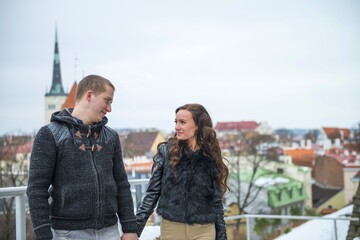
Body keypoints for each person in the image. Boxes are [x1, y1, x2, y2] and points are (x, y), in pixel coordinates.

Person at [27, 75, 138, 240]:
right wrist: (44, 235)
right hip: (68, 234)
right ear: (89, 95)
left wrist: (130, 228)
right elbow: (37, 189)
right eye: (107, 100)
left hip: (110, 231)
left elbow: (121, 184)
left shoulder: (111, 137)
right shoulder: (50, 134)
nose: (109, 108)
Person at [136, 103, 229, 240]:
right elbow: (153, 193)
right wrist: (135, 229)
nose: (177, 127)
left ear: (198, 125)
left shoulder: (210, 156)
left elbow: (216, 201)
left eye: (183, 122)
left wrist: (222, 236)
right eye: (176, 122)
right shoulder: (166, 151)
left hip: (204, 229)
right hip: (172, 229)